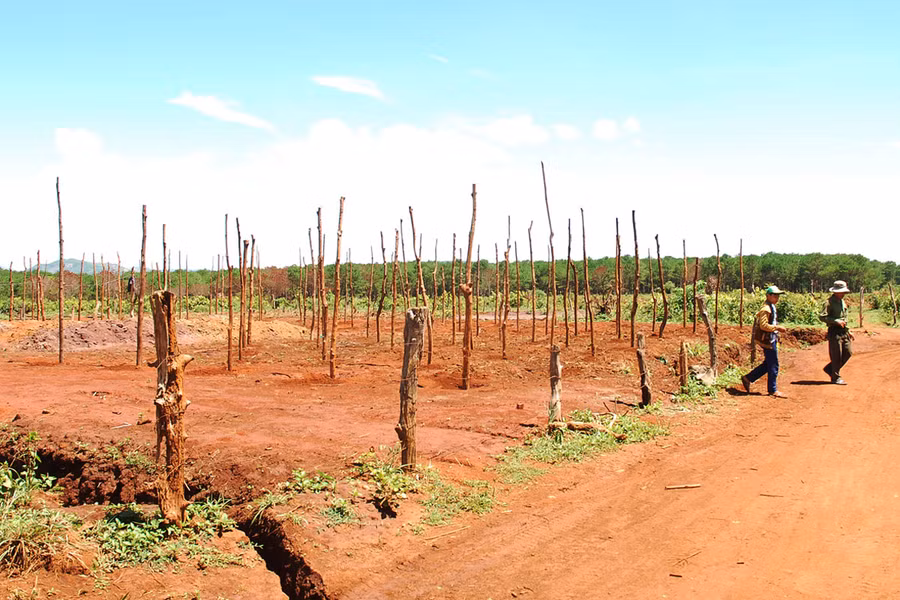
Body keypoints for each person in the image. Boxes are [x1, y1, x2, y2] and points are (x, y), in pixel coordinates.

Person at [742, 285, 788, 398]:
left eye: (778, 295)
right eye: (774, 295)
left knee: (768, 364)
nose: (777, 298)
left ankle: (748, 378)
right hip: (767, 340)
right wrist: (777, 328)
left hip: (770, 339)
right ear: (768, 296)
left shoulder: (771, 306)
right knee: (773, 364)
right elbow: (763, 326)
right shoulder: (766, 309)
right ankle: (772, 390)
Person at [820, 280, 853, 385]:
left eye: (843, 292)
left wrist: (849, 330)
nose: (842, 294)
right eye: (841, 292)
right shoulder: (828, 302)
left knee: (848, 353)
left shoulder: (842, 302)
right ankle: (835, 377)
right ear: (835, 291)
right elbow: (822, 316)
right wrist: (835, 321)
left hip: (844, 331)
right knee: (836, 355)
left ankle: (830, 369)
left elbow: (844, 318)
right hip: (834, 331)